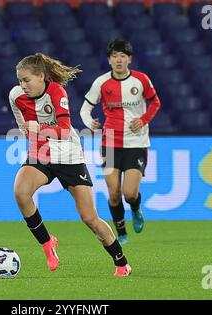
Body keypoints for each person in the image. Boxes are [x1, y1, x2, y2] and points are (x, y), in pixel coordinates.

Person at [9, 53, 132, 276]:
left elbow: (65, 131)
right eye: (19, 80)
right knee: (20, 192)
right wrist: (33, 136)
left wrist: (40, 129)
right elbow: (25, 128)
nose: (22, 85)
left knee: (89, 218)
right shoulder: (15, 96)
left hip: (69, 156)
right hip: (42, 153)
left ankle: (121, 261)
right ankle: (47, 243)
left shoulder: (56, 91)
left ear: (42, 76)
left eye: (26, 80)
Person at [80, 38, 161, 245]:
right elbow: (85, 109)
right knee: (114, 193)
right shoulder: (101, 82)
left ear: (129, 59)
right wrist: (90, 123)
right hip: (110, 144)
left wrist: (143, 120)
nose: (118, 60)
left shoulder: (141, 80)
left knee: (129, 193)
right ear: (109, 60)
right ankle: (121, 232)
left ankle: (135, 208)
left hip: (136, 143)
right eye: (114, 56)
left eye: (122, 56)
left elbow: (155, 102)